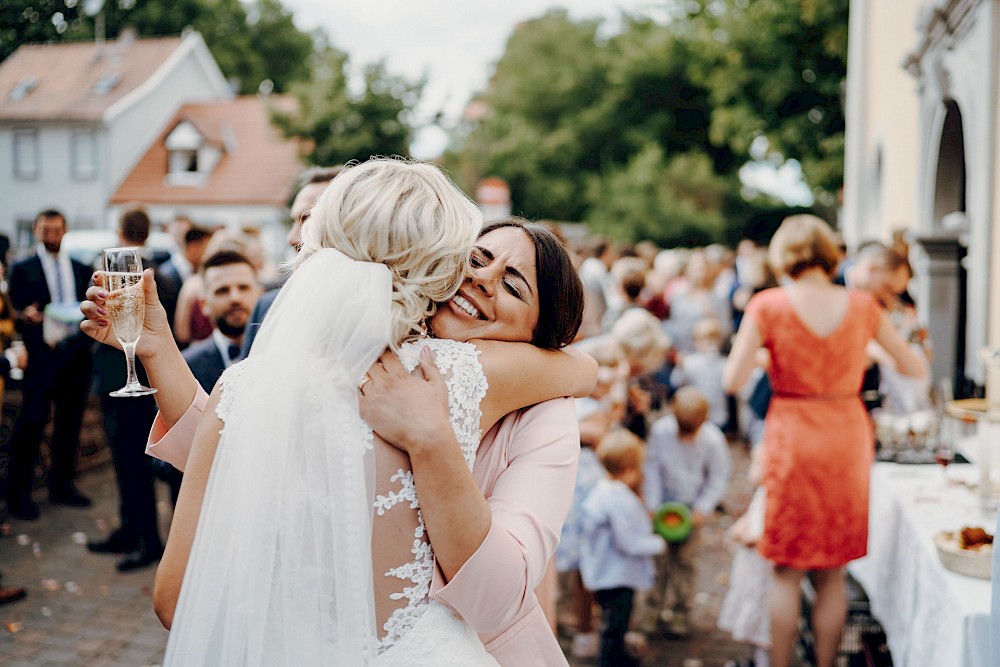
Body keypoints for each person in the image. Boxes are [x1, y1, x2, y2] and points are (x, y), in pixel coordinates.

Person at [81, 162, 595, 664]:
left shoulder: (243, 387)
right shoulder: (462, 374)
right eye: (476, 259)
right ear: (441, 267)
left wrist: (432, 441)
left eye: (513, 285)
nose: (483, 281)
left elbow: (179, 595)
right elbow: (254, 465)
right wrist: (158, 350)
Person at [722, 215, 925, 667]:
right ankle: (827, 663)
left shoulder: (768, 305)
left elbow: (732, 380)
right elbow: (913, 368)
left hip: (793, 432)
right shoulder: (862, 306)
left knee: (786, 570)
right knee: (833, 572)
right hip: (845, 434)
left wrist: (766, 357)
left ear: (783, 255)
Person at [88, 207, 167, 571]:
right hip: (114, 386)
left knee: (136, 466)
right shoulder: (161, 276)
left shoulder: (154, 280)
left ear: (121, 232)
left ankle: (148, 541)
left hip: (140, 390)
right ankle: (127, 530)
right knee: (123, 466)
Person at [5, 209, 94, 520]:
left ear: (65, 230)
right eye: (46, 230)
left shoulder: (81, 268)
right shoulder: (22, 267)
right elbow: (13, 313)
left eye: (57, 230)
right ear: (36, 230)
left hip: (75, 356)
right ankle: (18, 495)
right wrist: (25, 316)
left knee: (70, 426)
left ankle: (63, 485)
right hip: (40, 358)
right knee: (31, 424)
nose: (52, 235)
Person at [643, 386, 731, 637]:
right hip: (662, 507)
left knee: (685, 562)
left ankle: (681, 609)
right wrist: (652, 503)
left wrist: (703, 508)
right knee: (657, 560)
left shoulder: (713, 440)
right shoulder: (661, 432)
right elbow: (652, 468)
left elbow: (718, 477)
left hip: (692, 510)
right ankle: (653, 606)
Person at [579, 428, 665, 667]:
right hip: (615, 575)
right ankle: (610, 661)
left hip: (602, 570)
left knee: (614, 623)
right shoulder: (619, 500)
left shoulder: (603, 489)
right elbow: (628, 542)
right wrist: (658, 543)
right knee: (614, 626)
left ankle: (618, 656)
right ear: (628, 471)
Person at [241, 165, 343, 357]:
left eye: (307, 219)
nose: (291, 237)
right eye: (293, 221)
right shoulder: (266, 307)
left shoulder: (386, 314)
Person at [180, 250, 261, 392]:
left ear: (260, 294)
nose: (235, 298)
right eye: (222, 290)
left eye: (243, 288)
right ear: (203, 304)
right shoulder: (185, 367)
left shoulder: (280, 356)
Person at [155, 224, 213, 332]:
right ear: (193, 248)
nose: (210, 255)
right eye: (207, 249)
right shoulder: (166, 275)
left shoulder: (197, 273)